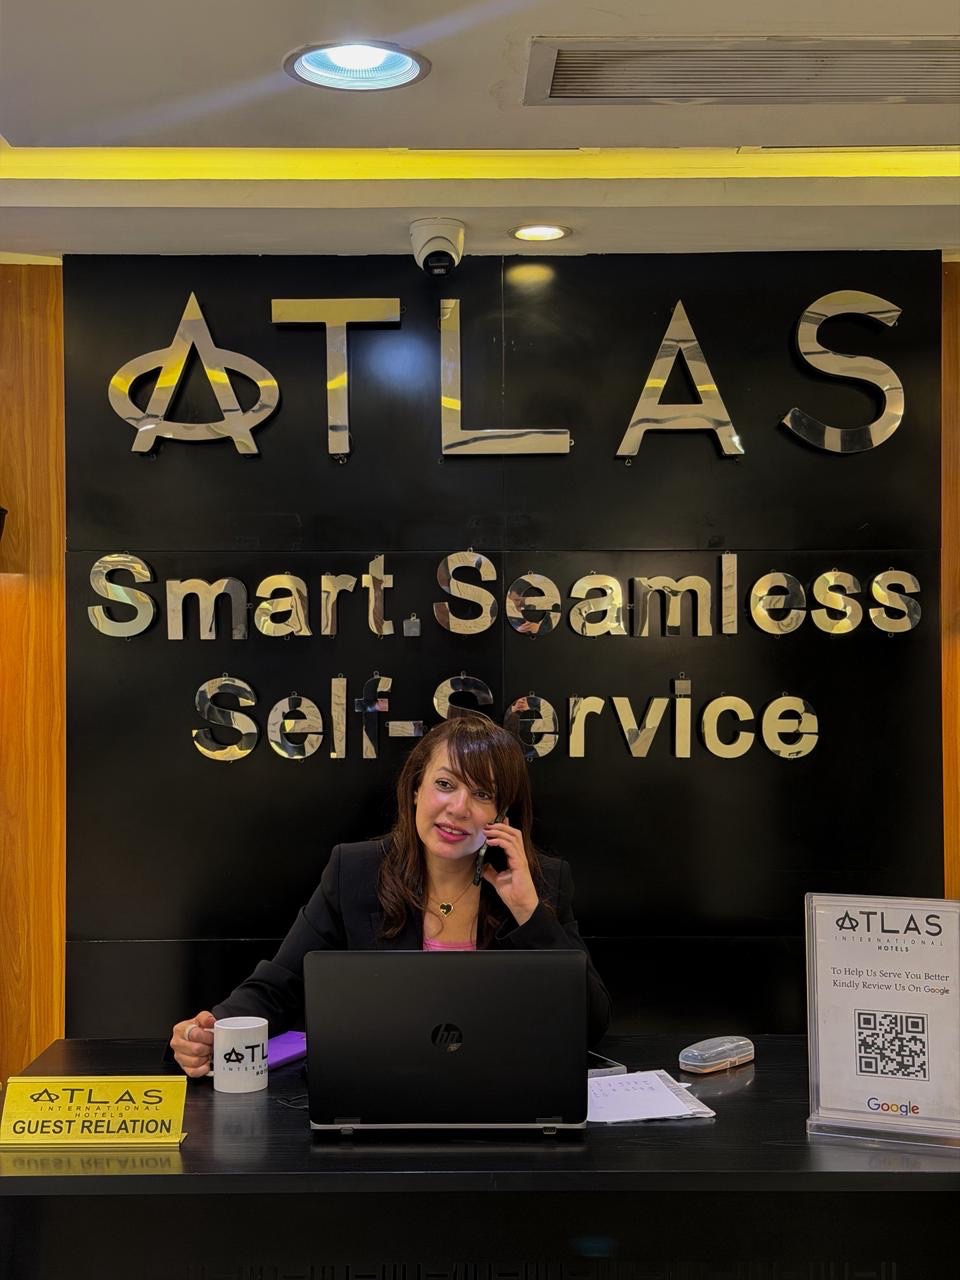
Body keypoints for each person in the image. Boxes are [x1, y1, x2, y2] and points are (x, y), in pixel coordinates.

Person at [171, 714, 611, 1075]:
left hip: (504, 1096)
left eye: (482, 794)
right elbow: (278, 988)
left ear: (501, 813)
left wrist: (528, 911)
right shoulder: (356, 871)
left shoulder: (542, 881)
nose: (458, 808)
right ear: (416, 787)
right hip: (378, 1091)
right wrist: (208, 1031)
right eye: (445, 784)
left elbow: (588, 1026)